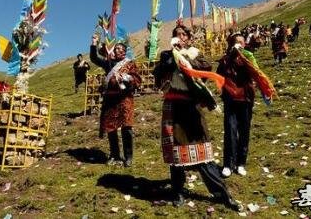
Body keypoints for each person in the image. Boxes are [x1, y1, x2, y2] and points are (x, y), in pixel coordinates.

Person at [153, 25, 239, 211]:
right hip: (173, 108)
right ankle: (178, 193)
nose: (180, 37)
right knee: (177, 154)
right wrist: (169, 62)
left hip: (192, 107)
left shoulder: (195, 53)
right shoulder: (166, 55)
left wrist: (185, 58)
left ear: (189, 38)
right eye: (176, 35)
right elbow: (157, 76)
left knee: (202, 153)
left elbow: (206, 66)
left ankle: (222, 194)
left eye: (184, 34)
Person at [90, 35, 141, 167]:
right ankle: (115, 155)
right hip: (110, 99)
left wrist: (125, 77)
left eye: (119, 48)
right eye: (115, 48)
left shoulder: (129, 64)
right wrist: (94, 43)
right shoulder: (108, 63)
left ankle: (128, 157)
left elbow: (137, 79)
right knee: (111, 128)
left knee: (126, 127)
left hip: (124, 99)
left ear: (124, 51)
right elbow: (94, 58)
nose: (116, 50)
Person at [216, 34, 256, 178]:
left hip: (245, 99)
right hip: (231, 99)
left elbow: (255, 74)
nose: (239, 45)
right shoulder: (225, 60)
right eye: (236, 42)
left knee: (244, 132)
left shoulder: (249, 58)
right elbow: (219, 76)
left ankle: (241, 163)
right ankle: (228, 164)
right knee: (230, 132)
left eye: (241, 42)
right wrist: (231, 57)